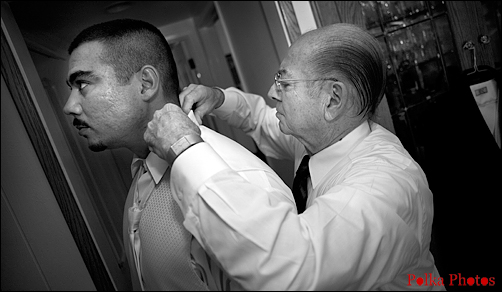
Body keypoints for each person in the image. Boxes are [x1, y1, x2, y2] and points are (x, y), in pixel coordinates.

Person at [144, 23, 443, 290]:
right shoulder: (320, 136)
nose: (272, 92)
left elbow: (291, 269)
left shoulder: (384, 184)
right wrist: (220, 98)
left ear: (332, 99)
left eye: (284, 83)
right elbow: (260, 119)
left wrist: (185, 149)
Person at [63, 18, 293, 291]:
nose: (70, 106)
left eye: (83, 84)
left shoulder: (240, 183)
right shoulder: (143, 167)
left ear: (146, 83)